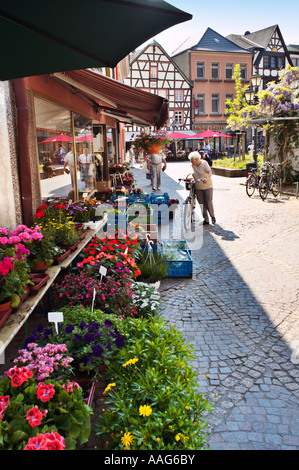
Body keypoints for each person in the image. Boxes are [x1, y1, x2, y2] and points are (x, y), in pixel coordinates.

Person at [189, 151, 216, 225]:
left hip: (207, 186)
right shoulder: (193, 165)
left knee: (209, 202)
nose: (191, 162)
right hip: (198, 187)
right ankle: (206, 219)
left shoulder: (204, 163)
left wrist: (207, 178)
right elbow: (193, 173)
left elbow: (210, 172)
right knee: (201, 203)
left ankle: (212, 216)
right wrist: (191, 178)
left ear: (197, 159)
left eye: (192, 160)